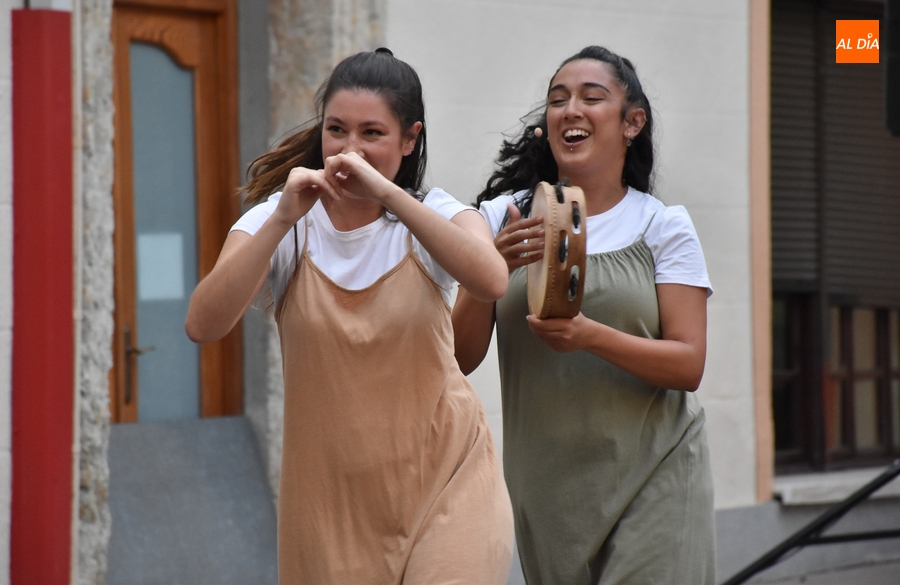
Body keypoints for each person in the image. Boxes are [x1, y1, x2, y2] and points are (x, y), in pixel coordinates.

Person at [185, 49, 513, 584]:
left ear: (409, 140)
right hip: (332, 513)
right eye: (336, 130)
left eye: (372, 134)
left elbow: (491, 279)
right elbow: (203, 324)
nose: (349, 150)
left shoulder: (435, 213)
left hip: (448, 484)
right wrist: (281, 218)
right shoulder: (282, 220)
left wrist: (387, 193)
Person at [452, 45, 716, 584]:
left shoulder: (663, 226)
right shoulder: (500, 217)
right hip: (548, 491)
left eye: (591, 98)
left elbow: (689, 364)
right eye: (557, 100)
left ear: (631, 122)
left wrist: (588, 335)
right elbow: (460, 355)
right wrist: (489, 271)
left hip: (657, 475)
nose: (570, 109)